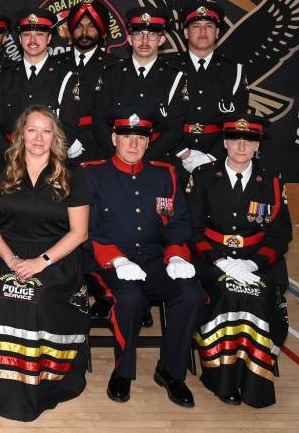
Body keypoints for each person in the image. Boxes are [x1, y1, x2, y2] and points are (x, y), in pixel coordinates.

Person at [0, 105, 91, 421]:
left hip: (56, 256)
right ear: (20, 134)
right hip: (4, 252)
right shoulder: (0, 170)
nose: (39, 137)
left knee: (38, 295)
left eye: (46, 130)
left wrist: (41, 262)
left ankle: (43, 385)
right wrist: (11, 259)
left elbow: (79, 233)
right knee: (11, 292)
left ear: (56, 137)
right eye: (32, 130)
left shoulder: (72, 176)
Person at [81, 108, 204, 407]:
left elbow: (176, 223)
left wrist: (176, 255)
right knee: (130, 298)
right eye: (126, 137)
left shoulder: (165, 175)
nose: (133, 144)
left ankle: (171, 371)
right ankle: (123, 371)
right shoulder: (91, 173)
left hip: (152, 257)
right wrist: (117, 260)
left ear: (149, 142)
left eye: (140, 138)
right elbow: (87, 229)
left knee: (191, 294)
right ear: (114, 138)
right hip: (106, 260)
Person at [187, 112, 291, 408]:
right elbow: (192, 230)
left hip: (256, 261)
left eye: (249, 140)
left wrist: (252, 264)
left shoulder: (271, 183)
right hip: (211, 260)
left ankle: (254, 378)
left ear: (258, 145)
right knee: (229, 296)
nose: (241, 146)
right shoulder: (204, 177)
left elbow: (280, 236)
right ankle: (221, 377)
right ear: (225, 142)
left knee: (258, 298)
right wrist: (220, 261)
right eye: (235, 139)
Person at [164, 2, 249, 180]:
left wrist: (211, 157)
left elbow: (237, 121)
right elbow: (157, 115)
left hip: (218, 157)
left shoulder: (234, 71)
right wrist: (184, 152)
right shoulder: (166, 67)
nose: (203, 32)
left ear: (217, 32)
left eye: (209, 26)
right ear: (186, 33)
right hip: (172, 152)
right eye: (196, 26)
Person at [93, 8, 188, 162]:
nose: (145, 41)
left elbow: (174, 129)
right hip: (113, 159)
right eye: (138, 34)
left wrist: (146, 158)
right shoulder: (110, 74)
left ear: (161, 40)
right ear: (130, 39)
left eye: (151, 34)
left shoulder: (174, 77)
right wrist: (115, 156)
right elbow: (99, 120)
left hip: (155, 160)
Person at [0, 9, 74, 160]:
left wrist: (50, 156)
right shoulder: (3, 76)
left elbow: (69, 124)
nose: (33, 40)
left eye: (39, 34)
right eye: (27, 34)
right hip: (10, 158)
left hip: (51, 159)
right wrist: (10, 153)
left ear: (49, 38)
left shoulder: (65, 75)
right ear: (20, 38)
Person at [50, 0, 121, 163]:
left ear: (102, 31)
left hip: (97, 148)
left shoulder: (115, 66)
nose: (84, 33)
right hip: (57, 146)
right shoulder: (54, 63)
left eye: (91, 26)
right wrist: (63, 139)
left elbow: (115, 112)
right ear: (70, 30)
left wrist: (83, 139)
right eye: (79, 26)